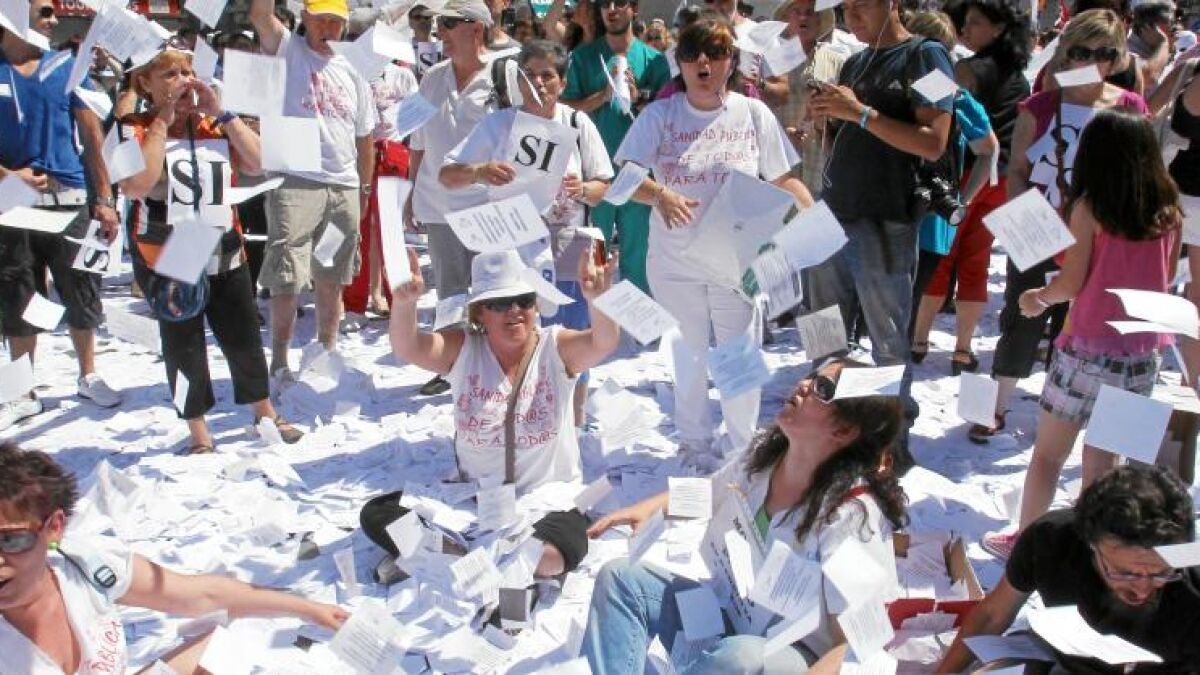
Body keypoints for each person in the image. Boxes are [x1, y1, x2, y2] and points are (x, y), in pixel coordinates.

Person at [581, 359, 907, 673]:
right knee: (621, 578)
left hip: (791, 656)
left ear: (844, 430)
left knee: (739, 657)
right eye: (811, 376)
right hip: (732, 614)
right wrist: (647, 509)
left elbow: (854, 646)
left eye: (822, 388)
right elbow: (712, 493)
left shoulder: (852, 515)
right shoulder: (766, 452)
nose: (804, 385)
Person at [614, 16, 813, 462]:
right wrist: (660, 194)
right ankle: (694, 441)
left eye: (716, 53)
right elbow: (625, 177)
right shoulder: (659, 115)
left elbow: (782, 177)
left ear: (732, 62)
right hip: (675, 262)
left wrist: (814, 218)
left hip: (735, 262)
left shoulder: (754, 113)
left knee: (738, 354)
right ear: (679, 63)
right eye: (692, 54)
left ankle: (741, 446)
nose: (703, 62)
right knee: (688, 353)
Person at [983, 110, 1180, 560]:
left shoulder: (1090, 207)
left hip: (1087, 348)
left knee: (1049, 455)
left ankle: (1028, 546)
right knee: (1106, 465)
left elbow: (1071, 284)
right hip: (1143, 351)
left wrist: (1037, 299)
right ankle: (1095, 554)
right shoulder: (1168, 209)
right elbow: (1163, 275)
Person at [358, 246, 620, 577]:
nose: (515, 311)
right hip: (474, 500)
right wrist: (406, 303)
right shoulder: (463, 347)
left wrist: (598, 300)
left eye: (524, 300)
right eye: (500, 304)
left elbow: (602, 342)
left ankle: (442, 556)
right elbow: (409, 346)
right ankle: (469, 555)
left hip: (542, 499)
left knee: (552, 555)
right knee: (377, 514)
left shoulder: (556, 347)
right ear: (480, 313)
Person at [0, 442, 346, 674]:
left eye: (11, 540)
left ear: (54, 528)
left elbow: (201, 595)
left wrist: (308, 609)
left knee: (220, 649)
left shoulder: (85, 563)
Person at [968, 9, 1149, 448]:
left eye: (1106, 53)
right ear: (1067, 53)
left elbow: (1140, 174)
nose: (1094, 61)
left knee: (1079, 325)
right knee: (1022, 316)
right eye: (1084, 51)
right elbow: (1017, 169)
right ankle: (995, 406)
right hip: (1040, 228)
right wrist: (1025, 223)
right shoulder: (1041, 106)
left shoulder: (1129, 107)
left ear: (1118, 58)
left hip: (1102, 238)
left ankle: (1060, 409)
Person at [117, 47, 303, 454]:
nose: (182, 80)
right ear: (145, 83)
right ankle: (197, 429)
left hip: (222, 242)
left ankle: (264, 412)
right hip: (168, 249)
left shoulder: (212, 125)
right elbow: (135, 184)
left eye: (187, 71)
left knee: (242, 333)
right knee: (182, 341)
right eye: (170, 74)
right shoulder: (132, 127)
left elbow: (259, 162)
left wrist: (222, 113)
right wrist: (164, 122)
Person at [803, 0, 954, 464]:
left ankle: (892, 445)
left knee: (887, 342)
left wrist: (861, 113)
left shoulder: (928, 56)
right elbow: (846, 137)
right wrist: (824, 118)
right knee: (821, 332)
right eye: (845, 7)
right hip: (833, 213)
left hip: (885, 220)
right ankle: (826, 430)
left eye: (861, 4)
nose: (851, 15)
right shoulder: (854, 61)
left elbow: (934, 143)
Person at [439, 40, 614, 424]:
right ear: (517, 81)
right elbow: (447, 175)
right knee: (520, 334)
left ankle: (573, 419)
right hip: (513, 247)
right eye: (529, 75)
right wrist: (480, 171)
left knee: (575, 330)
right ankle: (522, 416)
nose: (538, 83)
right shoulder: (497, 125)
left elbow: (604, 184)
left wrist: (583, 189)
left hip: (571, 242)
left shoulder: (577, 123)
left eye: (547, 75)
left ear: (562, 83)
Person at [937, 464, 1200, 673]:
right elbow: (992, 615)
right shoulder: (1051, 540)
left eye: (1160, 573)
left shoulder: (1193, 584)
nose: (1142, 588)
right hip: (1066, 661)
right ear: (1091, 543)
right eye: (1125, 573)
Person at [0, 0, 123, 431]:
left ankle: (88, 374)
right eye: (45, 12)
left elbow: (93, 137)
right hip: (13, 201)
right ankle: (21, 390)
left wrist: (104, 199)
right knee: (19, 294)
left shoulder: (66, 66)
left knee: (80, 287)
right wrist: (8, 174)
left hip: (69, 197)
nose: (54, 21)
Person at [248, 0, 378, 383]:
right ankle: (280, 360)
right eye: (320, 20)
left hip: (343, 185)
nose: (328, 29)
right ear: (304, 17)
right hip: (296, 181)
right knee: (287, 275)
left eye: (335, 22)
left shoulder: (353, 68)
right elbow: (260, 15)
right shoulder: (288, 49)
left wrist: (363, 187)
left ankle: (326, 349)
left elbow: (365, 136)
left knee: (332, 273)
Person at [911, 0, 1029, 373]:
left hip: (963, 176)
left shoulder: (961, 71)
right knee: (976, 262)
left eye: (975, 22)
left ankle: (918, 339)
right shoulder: (1018, 73)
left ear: (998, 28)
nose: (966, 29)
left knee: (941, 257)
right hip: (1000, 179)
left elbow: (955, 122)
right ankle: (963, 348)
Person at [403, 0, 497, 397]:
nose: (439, 32)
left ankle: (493, 363)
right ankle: (452, 365)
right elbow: (417, 141)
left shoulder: (503, 77)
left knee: (492, 289)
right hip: (437, 203)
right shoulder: (431, 78)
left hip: (488, 206)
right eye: (438, 24)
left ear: (476, 29)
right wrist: (409, 194)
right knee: (449, 292)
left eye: (448, 24)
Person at [901, 10, 1000, 354]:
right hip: (928, 215)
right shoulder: (952, 94)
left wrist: (964, 200)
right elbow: (989, 151)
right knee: (905, 307)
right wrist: (964, 199)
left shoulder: (940, 92)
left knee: (898, 309)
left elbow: (989, 151)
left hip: (919, 214)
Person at [560, 0, 672, 297]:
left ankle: (641, 319)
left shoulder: (654, 60)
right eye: (604, 4)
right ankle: (591, 317)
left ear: (634, 9)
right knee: (592, 254)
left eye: (620, 2)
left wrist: (638, 99)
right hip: (595, 174)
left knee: (638, 258)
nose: (611, 9)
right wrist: (602, 96)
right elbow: (564, 108)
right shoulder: (582, 57)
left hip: (638, 175)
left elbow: (668, 115)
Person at [764, 0, 846, 200]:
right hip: (781, 166)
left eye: (810, 12)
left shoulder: (837, 61)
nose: (803, 17)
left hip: (821, 164)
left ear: (819, 20)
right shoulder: (768, 60)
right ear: (786, 19)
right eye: (797, 12)